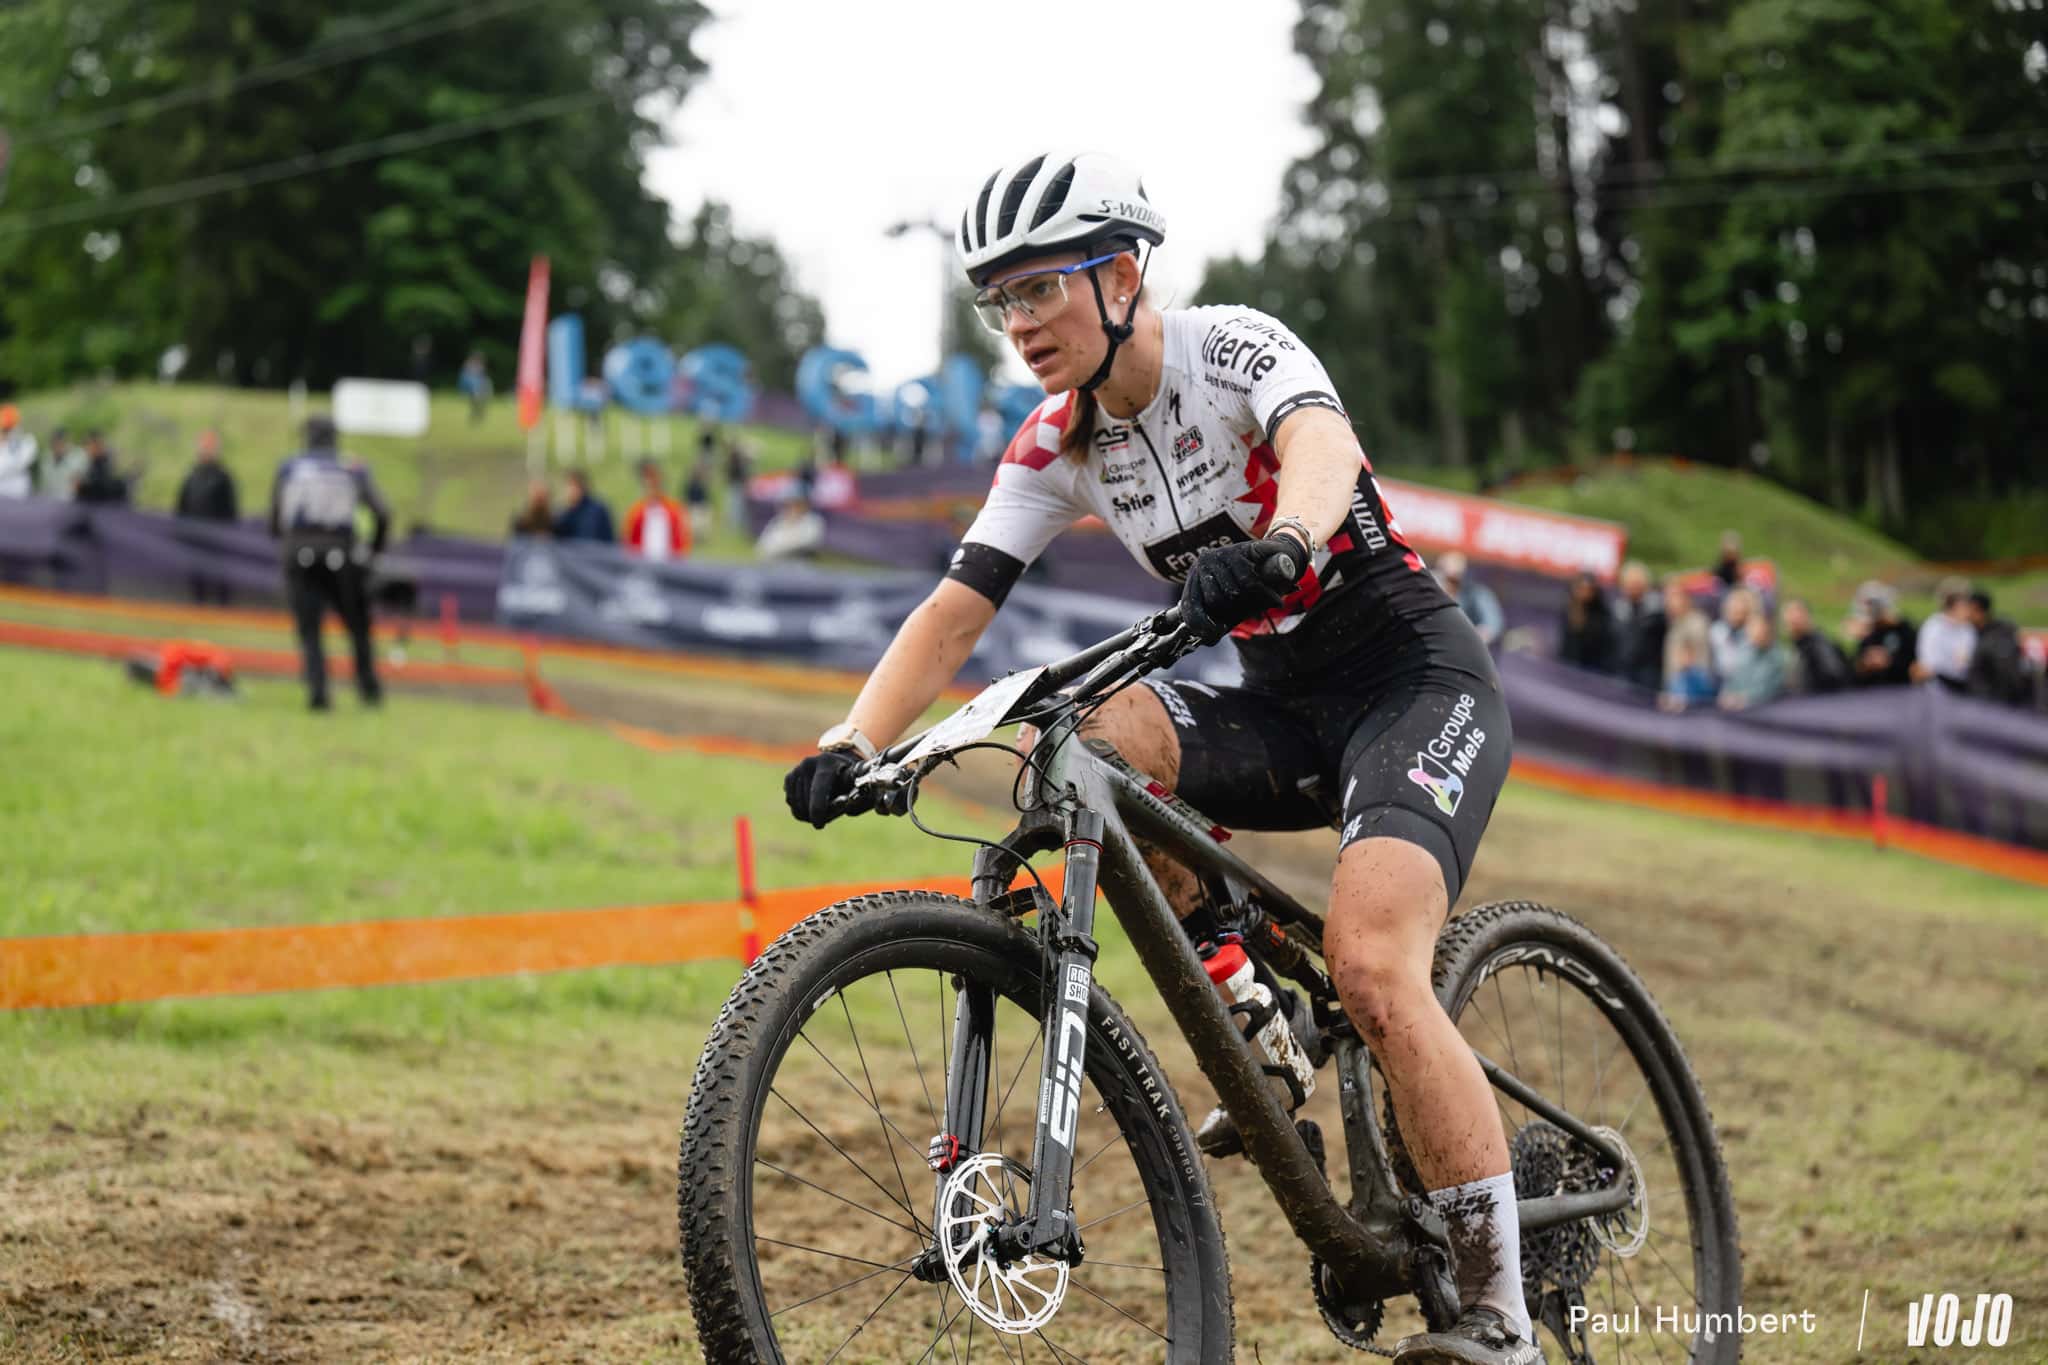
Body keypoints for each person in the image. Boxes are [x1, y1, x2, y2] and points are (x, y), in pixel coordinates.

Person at [779, 153, 1536, 1364]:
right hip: (1280, 708)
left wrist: (1287, 539)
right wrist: (852, 741)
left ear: (1121, 276)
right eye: (1000, 301)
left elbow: (1321, 446)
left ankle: (1502, 1315)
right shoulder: (1055, 444)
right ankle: (1245, 997)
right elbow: (955, 612)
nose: (1020, 323)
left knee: (1371, 966)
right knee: (1092, 730)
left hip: (1411, 684)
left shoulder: (1229, 348)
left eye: (1040, 289)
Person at [268, 415, 388, 711]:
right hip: (341, 554)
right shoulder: (352, 467)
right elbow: (382, 513)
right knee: (358, 624)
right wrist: (373, 550)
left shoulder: (290, 467)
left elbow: (275, 519)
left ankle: (318, 691)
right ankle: (368, 687)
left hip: (299, 553)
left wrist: (288, 542)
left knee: (310, 628)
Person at [174, 429, 240, 604]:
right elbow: (182, 505)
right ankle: (199, 604)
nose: (206, 450)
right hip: (195, 534)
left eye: (210, 446)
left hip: (217, 536)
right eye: (204, 446)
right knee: (197, 575)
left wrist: (224, 532)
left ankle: (222, 605)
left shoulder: (223, 476)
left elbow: (231, 509)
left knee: (219, 574)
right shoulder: (191, 475)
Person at [1962, 590, 2034, 707]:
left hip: (1997, 705)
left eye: (1966, 608)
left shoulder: (2000, 635)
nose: (1964, 613)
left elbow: (2007, 676)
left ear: (1976, 608)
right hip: (1980, 702)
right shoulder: (1972, 632)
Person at [1607, 559, 1666, 690]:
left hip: (1648, 675)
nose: (1632, 588)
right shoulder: (1618, 609)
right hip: (1621, 672)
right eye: (1629, 584)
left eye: (1636, 584)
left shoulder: (1657, 610)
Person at [1911, 576, 1977, 690]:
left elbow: (1967, 660)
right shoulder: (1933, 627)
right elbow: (1929, 663)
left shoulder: (1967, 629)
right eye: (1965, 605)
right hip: (1937, 684)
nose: (1969, 610)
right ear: (1953, 606)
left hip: (1963, 684)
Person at [1848, 581, 1916, 686]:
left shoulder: (1906, 631)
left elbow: (1915, 666)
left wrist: (1889, 661)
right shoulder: (1869, 634)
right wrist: (1865, 664)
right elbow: (1855, 670)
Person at [1718, 610, 1788, 709]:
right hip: (1737, 708)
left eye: (1760, 628)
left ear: (1768, 630)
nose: (1756, 632)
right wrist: (1725, 695)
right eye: (1752, 628)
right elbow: (1731, 681)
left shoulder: (1778, 656)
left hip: (1767, 709)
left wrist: (1742, 699)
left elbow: (1768, 690)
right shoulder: (1742, 653)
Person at [1434, 551, 1503, 648]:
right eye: (1446, 578)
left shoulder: (1477, 593)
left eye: (1454, 580)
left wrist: (1467, 641)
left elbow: (1492, 626)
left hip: (1466, 649)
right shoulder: (1429, 589)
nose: (1449, 584)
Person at [1782, 598, 1851, 694]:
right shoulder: (1798, 646)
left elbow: (1833, 676)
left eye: (1796, 614)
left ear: (1807, 616)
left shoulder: (1818, 644)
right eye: (1788, 615)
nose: (1792, 619)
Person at [624, 459, 689, 559]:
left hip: (669, 562)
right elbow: (629, 541)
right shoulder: (636, 511)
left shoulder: (674, 510)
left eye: (655, 481)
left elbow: (682, 541)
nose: (652, 486)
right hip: (641, 563)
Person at [1557, 570, 1613, 671]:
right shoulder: (1568, 607)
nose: (1584, 593)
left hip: (1591, 667)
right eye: (1580, 588)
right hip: (1566, 664)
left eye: (1588, 589)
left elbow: (1597, 645)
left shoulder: (1601, 614)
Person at [755, 489, 824, 561]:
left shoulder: (813, 521)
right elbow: (762, 546)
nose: (792, 509)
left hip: (800, 561)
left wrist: (780, 547)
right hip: (776, 561)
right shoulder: (778, 521)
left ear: (804, 506)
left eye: (796, 505)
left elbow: (808, 543)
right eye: (787, 505)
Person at [1707, 587, 1758, 682]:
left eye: (1740, 611)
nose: (1736, 611)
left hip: (1747, 680)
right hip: (1719, 679)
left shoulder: (1754, 631)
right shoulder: (1716, 630)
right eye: (1733, 609)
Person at [551, 469, 615, 542]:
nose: (571, 490)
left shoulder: (597, 511)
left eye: (574, 486)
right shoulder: (564, 513)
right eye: (569, 486)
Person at [73, 431, 131, 505]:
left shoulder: (106, 463)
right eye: (88, 446)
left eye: (94, 446)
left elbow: (103, 486)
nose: (90, 449)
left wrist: (82, 488)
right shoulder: (90, 463)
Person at [41, 428, 88, 501]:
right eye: (55, 443)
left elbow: (80, 483)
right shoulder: (47, 458)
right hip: (50, 500)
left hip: (72, 500)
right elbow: (44, 484)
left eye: (61, 443)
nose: (58, 447)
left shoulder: (78, 456)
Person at [0, 406, 38, 498]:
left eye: (9, 429)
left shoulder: (28, 442)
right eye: (5, 429)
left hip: (20, 495)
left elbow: (21, 462)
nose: (7, 432)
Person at [681, 456, 713, 537]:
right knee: (694, 523)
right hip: (693, 504)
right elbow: (687, 493)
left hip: (701, 504)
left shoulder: (704, 481)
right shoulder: (691, 481)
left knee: (701, 524)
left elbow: (706, 494)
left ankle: (700, 536)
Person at [458, 351, 493, 423]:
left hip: (480, 387)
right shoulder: (469, 365)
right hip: (473, 388)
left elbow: (483, 378)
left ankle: (478, 413)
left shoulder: (480, 366)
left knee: (480, 402)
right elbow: (465, 379)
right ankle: (476, 413)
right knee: (475, 402)